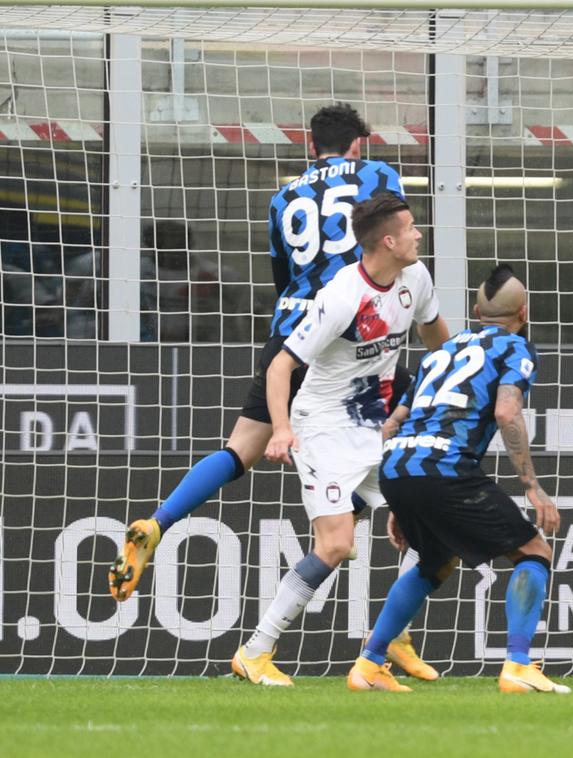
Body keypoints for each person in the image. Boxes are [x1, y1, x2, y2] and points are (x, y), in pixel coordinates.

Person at [109, 103, 438, 679]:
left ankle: (159, 522)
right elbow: (385, 242)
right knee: (391, 492)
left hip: (293, 329)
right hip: (353, 336)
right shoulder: (380, 180)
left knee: (240, 451)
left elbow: (282, 278)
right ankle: (389, 637)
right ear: (359, 144)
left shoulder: (283, 197)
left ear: (311, 146)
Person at [230, 194, 449, 685]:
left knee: (429, 527)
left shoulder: (416, 278)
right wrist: (282, 429)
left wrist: (454, 379)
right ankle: (255, 651)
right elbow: (281, 365)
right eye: (411, 228)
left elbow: (438, 338)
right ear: (388, 241)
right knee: (335, 544)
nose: (419, 235)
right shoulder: (342, 296)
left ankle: (393, 637)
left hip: (375, 427)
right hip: (323, 427)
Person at [344, 264, 569, 695]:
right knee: (533, 552)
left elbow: (392, 424)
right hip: (445, 467)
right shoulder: (516, 348)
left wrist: (399, 496)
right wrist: (531, 486)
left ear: (474, 310)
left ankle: (369, 664)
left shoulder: (440, 352)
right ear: (525, 311)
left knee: (436, 559)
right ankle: (519, 666)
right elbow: (507, 412)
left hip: (397, 465)